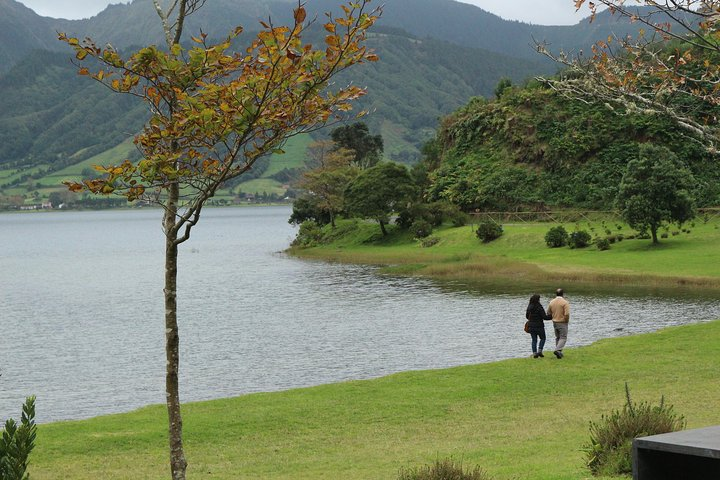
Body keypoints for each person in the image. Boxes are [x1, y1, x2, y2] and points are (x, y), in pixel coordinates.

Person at [525, 294, 552, 358]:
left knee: (534, 340)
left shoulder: (529, 307)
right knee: (543, 338)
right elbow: (544, 317)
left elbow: (526, 316)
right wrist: (552, 316)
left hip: (531, 326)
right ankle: (540, 350)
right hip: (539, 326)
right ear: (538, 300)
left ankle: (534, 353)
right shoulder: (539, 307)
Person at [547, 288, 570, 359]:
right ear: (563, 294)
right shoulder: (565, 302)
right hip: (562, 322)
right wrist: (566, 320)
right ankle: (557, 350)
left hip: (555, 322)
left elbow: (548, 312)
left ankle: (559, 353)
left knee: (558, 337)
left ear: (556, 294)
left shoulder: (551, 302)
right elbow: (567, 314)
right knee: (563, 337)